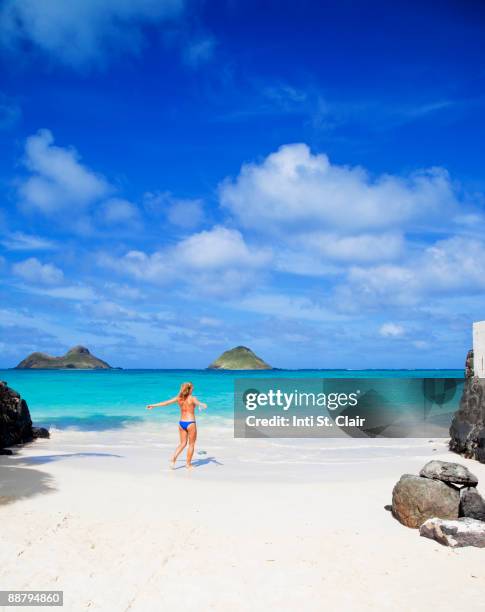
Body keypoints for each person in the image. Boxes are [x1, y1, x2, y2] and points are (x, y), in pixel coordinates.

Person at [146, 382, 207, 469]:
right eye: (193, 388)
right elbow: (198, 403)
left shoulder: (179, 398)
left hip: (181, 423)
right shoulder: (192, 398)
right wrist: (202, 404)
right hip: (190, 423)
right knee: (191, 444)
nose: (193, 389)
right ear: (190, 389)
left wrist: (153, 405)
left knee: (182, 444)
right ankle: (188, 464)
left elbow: (166, 403)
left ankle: (173, 459)